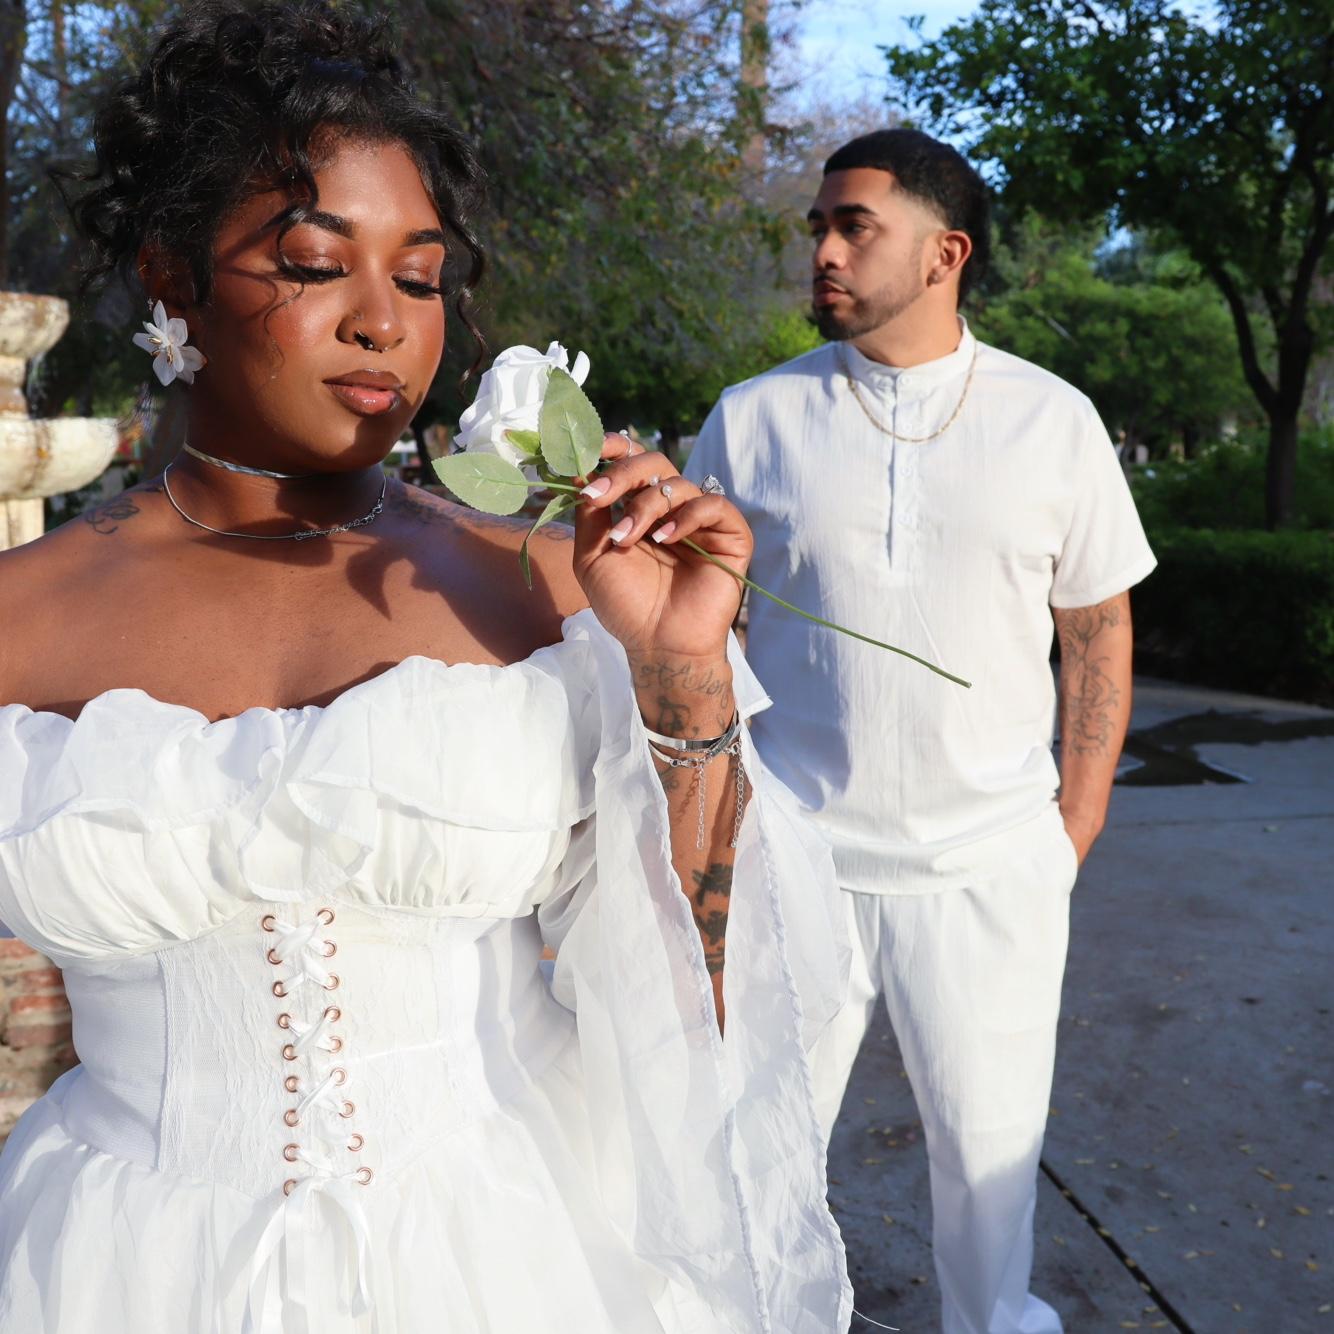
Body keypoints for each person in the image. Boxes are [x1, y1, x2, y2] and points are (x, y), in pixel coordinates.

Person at [0, 4, 853, 1330]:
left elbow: (714, 997)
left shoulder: (546, 582)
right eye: (311, 263)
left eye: (418, 277)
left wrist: (682, 673)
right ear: (171, 278)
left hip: (505, 1252)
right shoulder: (20, 614)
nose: (381, 324)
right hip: (119, 1269)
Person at [685, 128, 1156, 1334]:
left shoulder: (1051, 421)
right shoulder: (752, 419)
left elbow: (1095, 628)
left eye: (855, 227)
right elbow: (701, 632)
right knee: (757, 1156)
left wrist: (1070, 825)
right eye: (818, 228)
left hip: (989, 863)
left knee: (990, 1171)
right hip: (802, 858)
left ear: (944, 253)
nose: (824, 251)